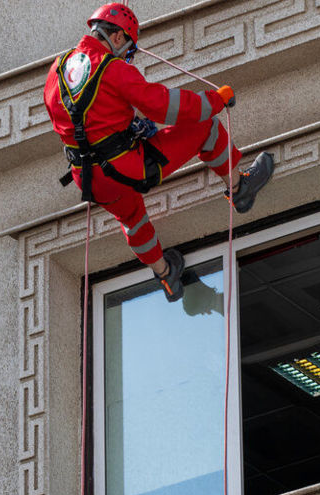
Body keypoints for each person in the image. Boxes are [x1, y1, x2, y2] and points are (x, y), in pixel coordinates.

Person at [43, 2, 274, 302]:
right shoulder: (113, 69)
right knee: (207, 128)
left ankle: (166, 274)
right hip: (127, 166)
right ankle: (240, 189)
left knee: (132, 218)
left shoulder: (57, 70)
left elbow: (79, 122)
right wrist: (213, 101)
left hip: (89, 178)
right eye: (128, 48)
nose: (126, 55)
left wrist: (124, 128)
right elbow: (163, 106)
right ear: (117, 37)